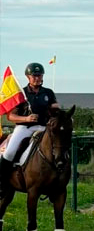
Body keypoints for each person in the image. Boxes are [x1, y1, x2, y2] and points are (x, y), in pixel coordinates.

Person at [0, 63, 59, 194]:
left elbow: (56, 109)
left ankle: (58, 181)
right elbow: (11, 116)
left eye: (40, 75)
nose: (37, 78)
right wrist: (26, 119)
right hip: (24, 128)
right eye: (35, 76)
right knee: (9, 153)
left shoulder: (48, 93)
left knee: (58, 147)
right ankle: (2, 182)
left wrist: (59, 114)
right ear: (28, 77)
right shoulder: (22, 94)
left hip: (43, 127)